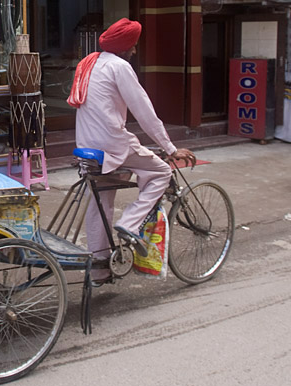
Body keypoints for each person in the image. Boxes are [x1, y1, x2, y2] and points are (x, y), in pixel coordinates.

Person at [69, 17, 196, 284]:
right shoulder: (120, 66)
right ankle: (130, 223)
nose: (135, 51)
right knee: (161, 172)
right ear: (125, 47)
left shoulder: (89, 62)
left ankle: (100, 270)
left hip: (86, 144)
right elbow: (144, 110)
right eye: (134, 46)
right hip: (111, 143)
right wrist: (170, 148)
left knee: (101, 203)